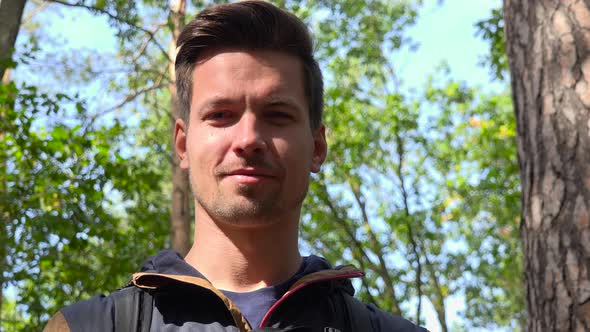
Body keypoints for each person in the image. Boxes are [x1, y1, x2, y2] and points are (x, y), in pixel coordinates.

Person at [44, 1, 427, 331]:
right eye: (221, 114)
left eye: (277, 115)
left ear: (317, 146)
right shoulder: (88, 326)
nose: (247, 139)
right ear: (182, 144)